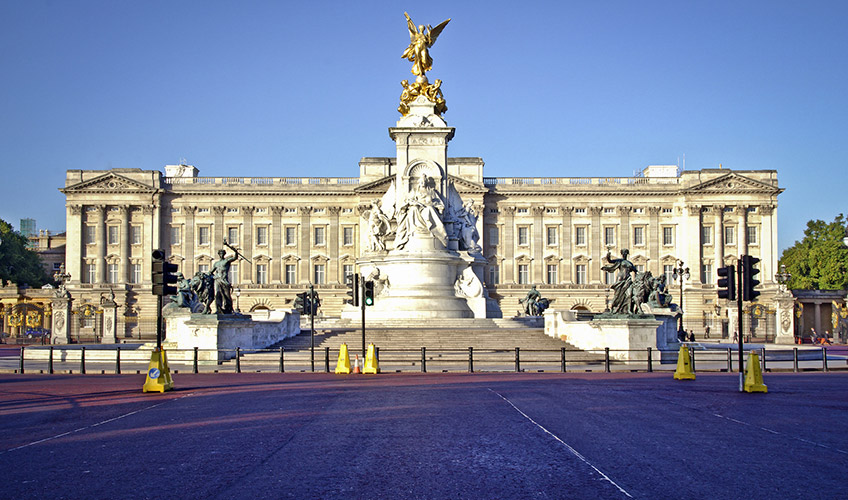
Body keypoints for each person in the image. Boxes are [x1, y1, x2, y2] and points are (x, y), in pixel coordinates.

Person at [394, 175, 447, 249]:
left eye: (424, 182)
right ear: (419, 183)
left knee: (429, 209)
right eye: (421, 182)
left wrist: (437, 206)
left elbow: (438, 202)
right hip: (418, 208)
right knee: (413, 209)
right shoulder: (415, 191)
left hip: (427, 207)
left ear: (426, 182)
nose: (422, 183)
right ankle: (416, 230)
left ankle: (437, 231)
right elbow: (408, 200)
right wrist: (413, 203)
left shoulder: (431, 191)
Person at [601, 249, 637, 314]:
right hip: (620, 279)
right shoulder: (619, 261)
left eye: (626, 253)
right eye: (623, 253)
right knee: (617, 294)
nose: (624, 254)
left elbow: (636, 271)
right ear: (622, 254)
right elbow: (610, 261)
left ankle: (628, 310)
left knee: (629, 295)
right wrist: (608, 255)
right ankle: (613, 307)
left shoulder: (629, 263)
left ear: (627, 254)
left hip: (628, 279)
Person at [212, 249, 238, 314]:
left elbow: (235, 257)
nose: (221, 255)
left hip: (224, 280)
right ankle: (218, 309)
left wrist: (235, 250)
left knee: (227, 295)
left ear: (224, 254)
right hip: (217, 279)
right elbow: (211, 271)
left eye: (222, 253)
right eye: (220, 254)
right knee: (217, 294)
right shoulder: (216, 264)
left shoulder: (226, 261)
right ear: (219, 255)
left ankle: (229, 308)